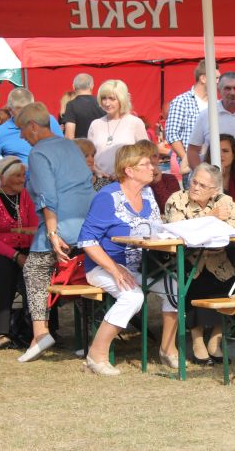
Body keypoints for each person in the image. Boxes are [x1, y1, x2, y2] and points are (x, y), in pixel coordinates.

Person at [77, 144, 179, 373]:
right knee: (133, 297)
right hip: (104, 267)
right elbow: (87, 241)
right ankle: (96, 355)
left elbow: (155, 230)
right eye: (146, 164)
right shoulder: (108, 197)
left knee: (174, 286)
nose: (152, 167)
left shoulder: (148, 193)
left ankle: (167, 349)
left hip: (143, 266)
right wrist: (115, 269)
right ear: (129, 170)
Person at [15, 103, 94, 363]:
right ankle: (89, 336)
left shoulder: (38, 153)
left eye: (21, 130)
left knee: (34, 270)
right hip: (87, 224)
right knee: (82, 277)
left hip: (61, 226)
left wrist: (51, 233)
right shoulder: (71, 146)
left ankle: (40, 333)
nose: (20, 136)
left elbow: (46, 197)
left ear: (33, 126)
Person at [165, 163, 235, 365]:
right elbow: (179, 229)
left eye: (202, 185)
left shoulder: (223, 200)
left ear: (214, 191)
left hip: (218, 261)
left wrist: (221, 223)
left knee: (233, 286)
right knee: (193, 284)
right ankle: (197, 342)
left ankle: (215, 340)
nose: (195, 187)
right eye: (194, 181)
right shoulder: (177, 200)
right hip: (188, 260)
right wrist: (210, 218)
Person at [0, 156, 39, 349]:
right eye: (17, 176)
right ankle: (0, 331)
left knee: (40, 267)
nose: (22, 179)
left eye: (23, 175)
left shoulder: (26, 196)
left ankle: (41, 329)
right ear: (3, 177)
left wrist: (31, 252)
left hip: (24, 248)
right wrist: (15, 255)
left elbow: (34, 228)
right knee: (6, 270)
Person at [188, 71, 235, 174]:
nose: (232, 93)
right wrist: (201, 174)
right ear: (219, 90)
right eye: (227, 88)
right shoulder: (206, 115)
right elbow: (192, 150)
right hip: (215, 180)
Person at [87, 80, 148, 178]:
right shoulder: (95, 124)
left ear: (122, 99)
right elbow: (89, 155)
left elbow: (145, 154)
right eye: (104, 98)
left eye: (112, 99)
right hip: (100, 180)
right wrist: (96, 171)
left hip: (127, 179)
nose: (107, 103)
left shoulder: (135, 122)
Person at [0, 88, 63, 165]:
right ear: (10, 110)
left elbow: (62, 149)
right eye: (21, 111)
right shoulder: (0, 133)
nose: (27, 114)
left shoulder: (47, 120)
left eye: (30, 109)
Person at [166, 60, 210, 183]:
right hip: (191, 169)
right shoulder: (182, 101)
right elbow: (171, 134)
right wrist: (188, 159)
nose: (218, 82)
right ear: (203, 78)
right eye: (216, 78)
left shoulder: (216, 103)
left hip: (213, 165)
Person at [206, 134, 235, 204]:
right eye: (216, 151)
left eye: (225, 151)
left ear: (234, 154)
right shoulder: (203, 174)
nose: (220, 155)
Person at [62, 73, 105, 140]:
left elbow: (69, 136)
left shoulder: (71, 105)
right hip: (100, 144)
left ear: (73, 87)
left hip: (80, 145)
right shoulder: (102, 103)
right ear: (92, 86)